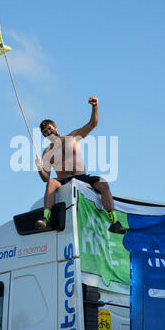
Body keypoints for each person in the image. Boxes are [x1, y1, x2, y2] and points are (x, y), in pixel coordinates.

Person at [34, 96, 126, 234]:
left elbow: (92, 124)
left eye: (49, 129)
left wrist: (95, 106)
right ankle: (45, 219)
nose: (48, 132)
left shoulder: (72, 137)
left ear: (55, 127)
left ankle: (115, 222)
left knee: (103, 183)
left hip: (82, 177)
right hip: (64, 181)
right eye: (45, 132)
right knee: (52, 183)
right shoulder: (47, 151)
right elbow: (45, 178)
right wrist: (40, 168)